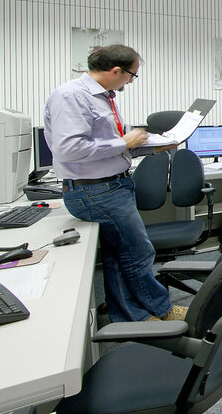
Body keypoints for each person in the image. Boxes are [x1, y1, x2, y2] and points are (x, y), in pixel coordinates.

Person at [44, 44, 184, 323]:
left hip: (109, 186)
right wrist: (125, 141)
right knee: (138, 252)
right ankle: (162, 310)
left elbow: (104, 148)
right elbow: (69, 149)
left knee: (119, 256)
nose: (131, 81)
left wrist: (148, 147)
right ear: (116, 70)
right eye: (132, 75)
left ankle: (130, 316)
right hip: (95, 190)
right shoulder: (72, 96)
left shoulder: (102, 97)